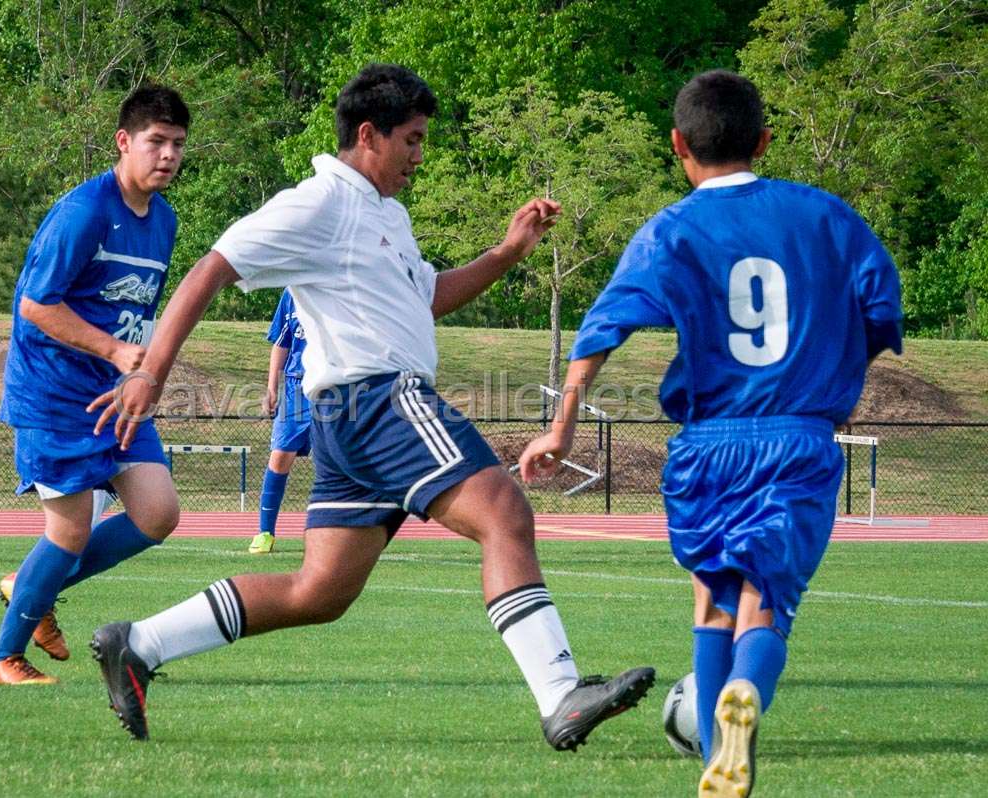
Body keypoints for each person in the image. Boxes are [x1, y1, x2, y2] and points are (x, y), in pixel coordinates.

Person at [87, 63, 655, 746]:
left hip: (347, 419)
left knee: (318, 592)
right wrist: (150, 372)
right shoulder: (321, 201)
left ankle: (138, 644)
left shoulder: (385, 212)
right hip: (381, 400)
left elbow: (429, 297)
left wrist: (507, 252)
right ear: (368, 134)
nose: (420, 155)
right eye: (412, 140)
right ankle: (562, 693)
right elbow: (214, 266)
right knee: (503, 510)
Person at [520, 70, 902, 797]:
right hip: (796, 439)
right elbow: (881, 306)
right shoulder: (826, 215)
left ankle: (713, 753)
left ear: (677, 146)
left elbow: (603, 327)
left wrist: (563, 427)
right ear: (764, 139)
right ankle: (744, 702)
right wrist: (840, 375)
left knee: (713, 601)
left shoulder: (669, 229)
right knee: (767, 604)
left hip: (707, 445)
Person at [0, 85, 191, 685]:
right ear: (124, 142)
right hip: (54, 393)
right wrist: (117, 350)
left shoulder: (164, 221)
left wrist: (139, 369)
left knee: (158, 512)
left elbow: (134, 311)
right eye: (156, 142)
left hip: (116, 394)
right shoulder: (84, 212)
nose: (168, 155)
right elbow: (35, 306)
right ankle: (0, 659)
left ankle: (30, 584)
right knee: (67, 531)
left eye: (177, 144)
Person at [248, 289, 311, 555]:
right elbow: (282, 342)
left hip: (334, 389)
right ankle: (265, 532)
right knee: (279, 457)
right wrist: (272, 388)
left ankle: (338, 534)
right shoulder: (292, 292)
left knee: (332, 463)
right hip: (295, 389)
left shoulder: (344, 284)